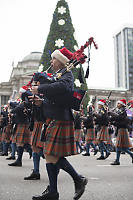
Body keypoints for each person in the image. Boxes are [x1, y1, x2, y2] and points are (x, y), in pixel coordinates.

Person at [31, 47, 88, 200]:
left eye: (54, 58)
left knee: (50, 154)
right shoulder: (58, 75)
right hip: (53, 117)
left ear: (62, 61)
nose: (51, 61)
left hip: (60, 118)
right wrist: (40, 103)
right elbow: (54, 99)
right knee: (49, 155)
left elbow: (62, 88)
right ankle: (54, 191)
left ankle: (77, 179)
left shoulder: (67, 74)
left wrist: (40, 89)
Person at [108, 99, 133, 165]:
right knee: (120, 146)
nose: (117, 104)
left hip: (123, 129)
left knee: (120, 146)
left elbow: (120, 118)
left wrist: (112, 115)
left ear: (122, 104)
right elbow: (116, 118)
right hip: (120, 129)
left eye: (119, 103)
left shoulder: (124, 111)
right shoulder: (120, 111)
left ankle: (118, 160)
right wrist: (110, 118)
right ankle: (118, 160)